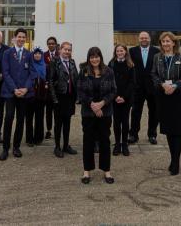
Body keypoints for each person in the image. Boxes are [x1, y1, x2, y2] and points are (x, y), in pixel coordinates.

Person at [151, 31, 181, 175]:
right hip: (163, 96)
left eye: (168, 41)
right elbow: (153, 74)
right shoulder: (157, 58)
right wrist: (162, 85)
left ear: (174, 43)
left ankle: (175, 161)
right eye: (163, 41)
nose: (166, 44)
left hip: (177, 97)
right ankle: (173, 158)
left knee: (177, 130)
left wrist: (174, 86)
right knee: (168, 129)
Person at [78, 47, 117, 184]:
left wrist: (102, 103)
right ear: (89, 58)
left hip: (105, 113)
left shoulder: (109, 71)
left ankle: (107, 171)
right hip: (88, 113)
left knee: (105, 141)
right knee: (88, 141)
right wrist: (93, 105)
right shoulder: (83, 72)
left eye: (97, 56)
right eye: (92, 57)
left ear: (100, 57)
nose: (94, 59)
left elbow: (113, 91)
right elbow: (81, 92)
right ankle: (86, 172)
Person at [0, 28, 35, 160]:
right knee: (8, 118)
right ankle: (5, 149)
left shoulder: (28, 54)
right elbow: (6, 73)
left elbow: (32, 73)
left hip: (23, 93)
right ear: (14, 38)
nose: (21, 39)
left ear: (26, 39)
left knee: (20, 120)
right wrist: (15, 89)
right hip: (10, 92)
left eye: (23, 37)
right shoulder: (8, 53)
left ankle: (16, 147)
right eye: (19, 37)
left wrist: (25, 88)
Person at [129, 32, 159, 144]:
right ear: (139, 39)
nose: (144, 39)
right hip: (137, 87)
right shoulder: (132, 51)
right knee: (136, 111)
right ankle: (133, 134)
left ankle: (152, 135)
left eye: (146, 37)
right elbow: (130, 68)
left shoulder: (156, 51)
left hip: (153, 87)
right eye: (142, 38)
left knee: (154, 112)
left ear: (149, 39)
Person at [49, 41, 78, 158]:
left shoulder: (72, 62)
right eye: (65, 49)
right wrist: (54, 99)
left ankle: (66, 145)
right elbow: (50, 81)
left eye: (69, 50)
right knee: (58, 124)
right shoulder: (54, 62)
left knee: (67, 123)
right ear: (60, 50)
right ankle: (57, 147)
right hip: (59, 97)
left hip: (70, 97)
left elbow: (75, 78)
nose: (67, 52)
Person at [108, 44, 135, 156]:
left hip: (126, 99)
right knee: (116, 122)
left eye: (121, 51)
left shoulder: (130, 65)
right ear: (115, 52)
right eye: (117, 51)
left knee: (125, 122)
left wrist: (124, 97)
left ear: (125, 52)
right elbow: (109, 81)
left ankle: (124, 144)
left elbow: (132, 83)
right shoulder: (111, 64)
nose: (119, 52)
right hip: (114, 98)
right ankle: (117, 144)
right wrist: (115, 96)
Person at [25, 47, 47, 146]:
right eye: (35, 54)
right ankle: (29, 139)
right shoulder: (29, 66)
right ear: (32, 55)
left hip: (41, 96)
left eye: (39, 54)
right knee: (29, 118)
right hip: (30, 95)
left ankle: (38, 138)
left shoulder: (45, 66)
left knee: (39, 117)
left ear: (41, 55)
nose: (37, 55)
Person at [43, 36, 59, 139]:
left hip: (57, 87)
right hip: (47, 87)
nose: (51, 45)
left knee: (57, 110)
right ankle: (48, 130)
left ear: (56, 44)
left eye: (52, 43)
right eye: (49, 43)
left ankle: (57, 129)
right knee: (48, 111)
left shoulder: (60, 54)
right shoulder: (44, 55)